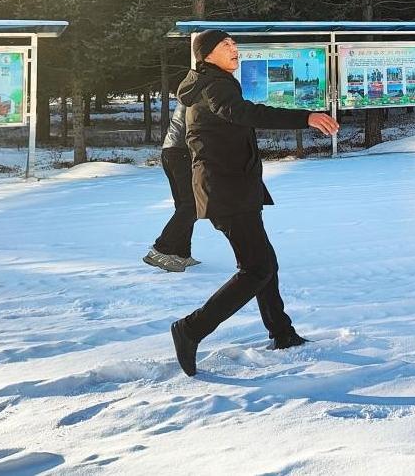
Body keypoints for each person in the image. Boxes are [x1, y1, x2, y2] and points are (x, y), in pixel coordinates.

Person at [170, 30, 339, 377]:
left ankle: (282, 332)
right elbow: (242, 113)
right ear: (207, 54)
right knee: (257, 269)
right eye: (226, 45)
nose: (235, 49)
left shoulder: (209, 81)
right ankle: (191, 329)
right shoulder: (214, 85)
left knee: (265, 263)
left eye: (234, 44)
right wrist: (304, 117)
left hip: (232, 186)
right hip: (226, 189)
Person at [142, 102, 200, 272]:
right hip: (182, 152)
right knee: (193, 205)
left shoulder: (190, 91)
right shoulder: (202, 92)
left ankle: (182, 254)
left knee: (184, 206)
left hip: (170, 150)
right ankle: (161, 249)